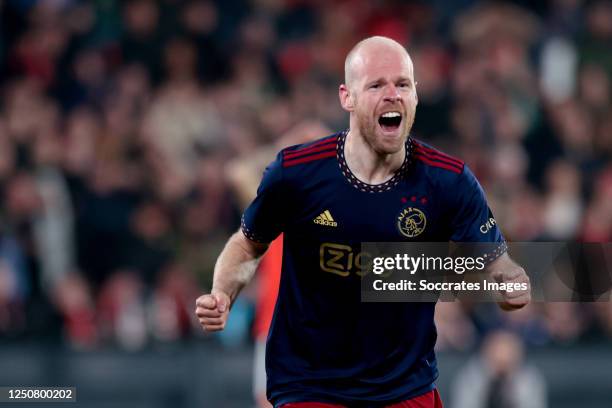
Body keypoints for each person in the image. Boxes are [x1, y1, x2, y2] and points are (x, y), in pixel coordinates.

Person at [195, 36, 531, 408]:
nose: (392, 94)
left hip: (404, 388)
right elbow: (247, 243)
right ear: (347, 97)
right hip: (310, 387)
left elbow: (495, 263)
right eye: (376, 85)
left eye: (402, 84)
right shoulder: (297, 172)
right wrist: (223, 292)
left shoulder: (449, 181)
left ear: (416, 95)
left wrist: (509, 283)